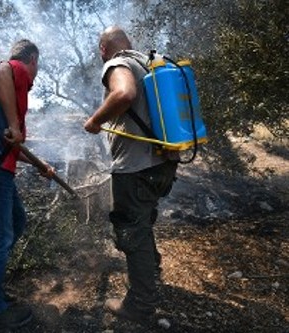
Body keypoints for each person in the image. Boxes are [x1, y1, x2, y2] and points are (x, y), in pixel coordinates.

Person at [84, 26, 179, 324]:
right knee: (143, 222)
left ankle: (140, 305)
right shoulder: (148, 62)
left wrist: (95, 121)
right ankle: (151, 274)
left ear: (103, 49)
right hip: (163, 164)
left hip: (135, 169)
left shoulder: (117, 63)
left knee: (131, 234)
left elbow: (124, 93)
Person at [0, 39, 54, 331]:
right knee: (1, 236)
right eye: (38, 64)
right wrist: (17, 126)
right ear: (31, 59)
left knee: (16, 223)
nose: (37, 71)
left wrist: (41, 166)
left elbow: (13, 147)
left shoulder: (19, 95)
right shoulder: (15, 69)